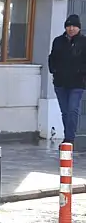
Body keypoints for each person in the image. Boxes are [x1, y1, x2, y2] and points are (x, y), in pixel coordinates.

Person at [49, 14, 86, 147]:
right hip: (60, 82)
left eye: (74, 26)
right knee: (65, 111)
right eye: (68, 26)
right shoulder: (58, 41)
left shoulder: (83, 42)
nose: (71, 29)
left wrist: (81, 72)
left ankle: (70, 138)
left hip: (77, 83)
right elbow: (52, 57)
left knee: (72, 109)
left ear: (79, 28)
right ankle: (67, 135)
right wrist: (54, 70)